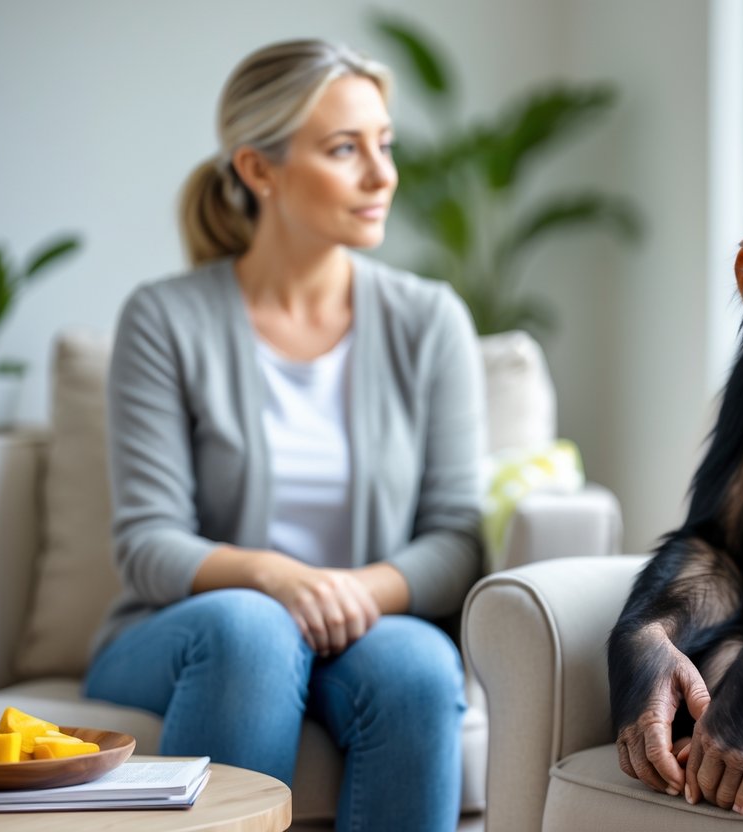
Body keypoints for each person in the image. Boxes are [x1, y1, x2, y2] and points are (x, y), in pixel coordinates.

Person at [83, 39, 485, 832]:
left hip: (367, 629)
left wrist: (348, 592)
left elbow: (456, 538)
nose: (382, 176)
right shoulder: (164, 318)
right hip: (186, 636)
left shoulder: (429, 319)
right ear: (258, 170)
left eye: (384, 143)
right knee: (251, 627)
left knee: (413, 663)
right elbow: (148, 542)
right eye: (345, 149)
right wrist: (275, 577)